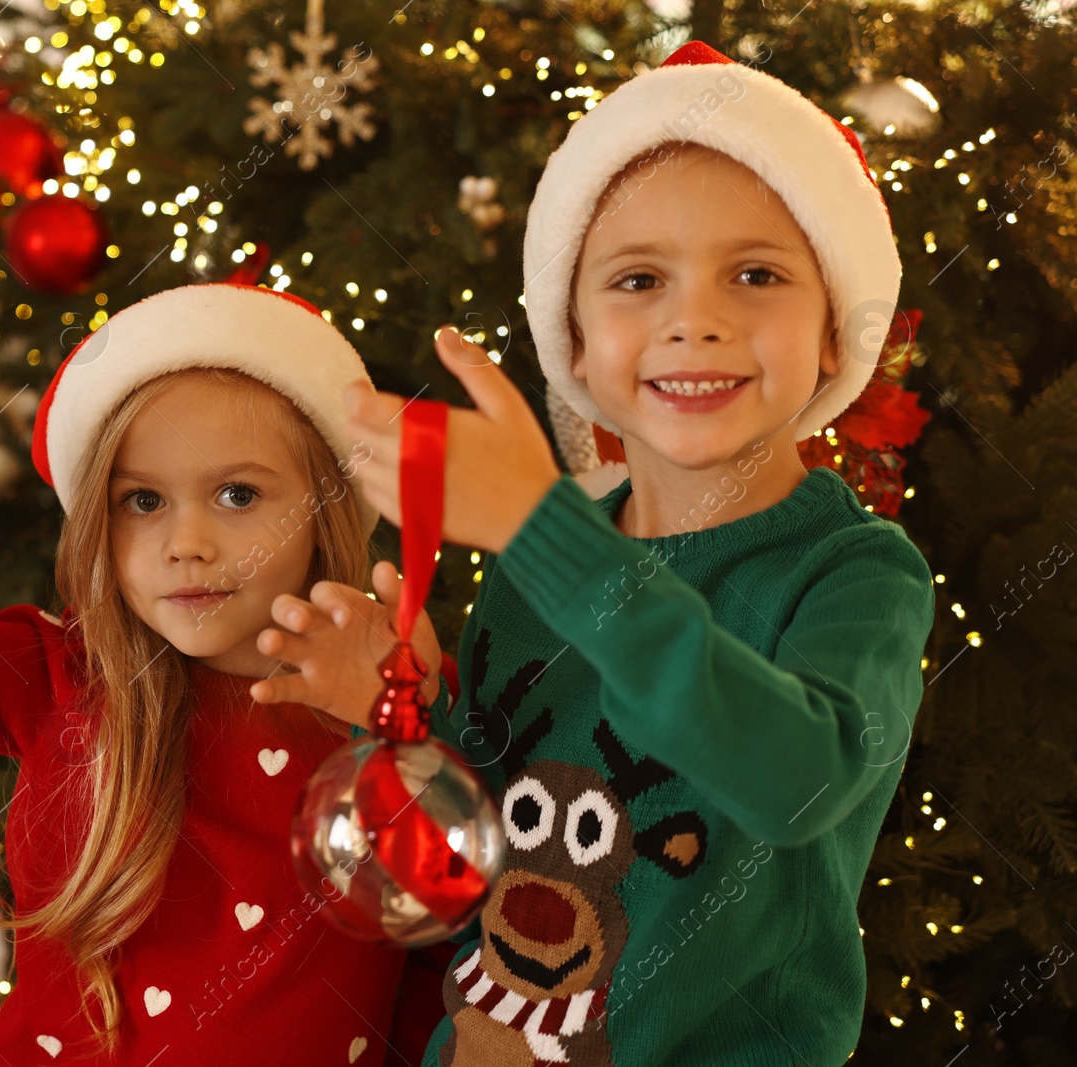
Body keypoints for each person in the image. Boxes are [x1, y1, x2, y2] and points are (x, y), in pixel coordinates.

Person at [250, 41, 936, 1066]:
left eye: (755, 274)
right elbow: (488, 829)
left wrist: (540, 528)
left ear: (838, 333)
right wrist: (402, 711)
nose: (694, 320)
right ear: (571, 344)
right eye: (637, 279)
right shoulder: (544, 556)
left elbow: (794, 782)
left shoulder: (854, 573)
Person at [0, 283, 450, 1065]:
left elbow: (447, 936)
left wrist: (410, 717)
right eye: (142, 499)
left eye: (237, 493)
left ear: (327, 510)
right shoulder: (59, 678)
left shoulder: (389, 699)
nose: (186, 541)